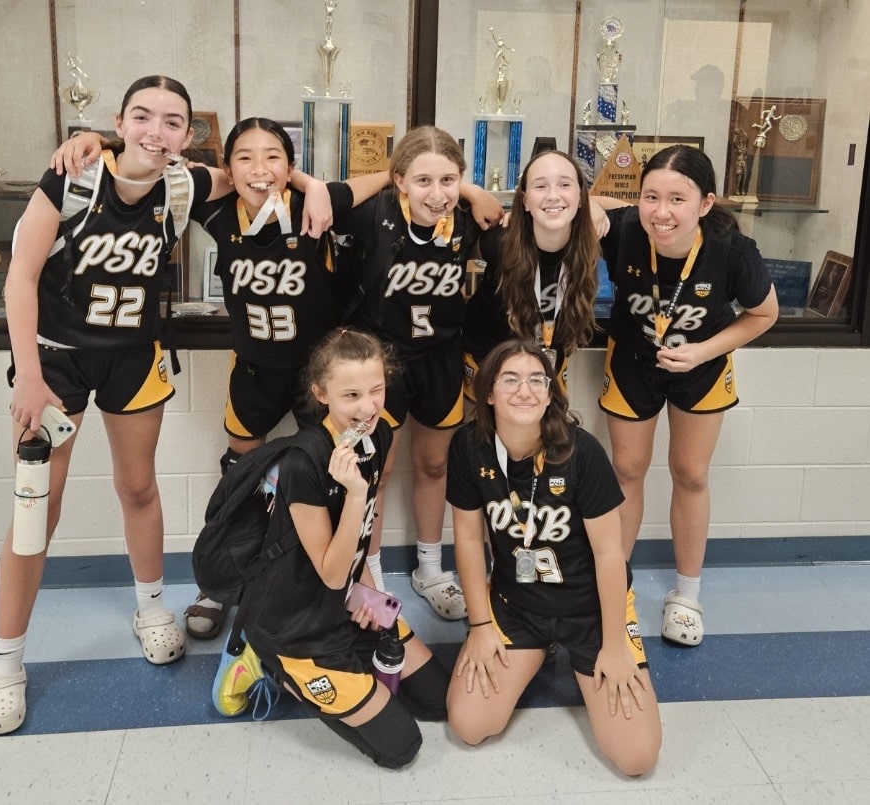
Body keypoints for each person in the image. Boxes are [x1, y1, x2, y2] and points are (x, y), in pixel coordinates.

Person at [0, 76, 232, 736]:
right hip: (56, 362)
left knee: (138, 486)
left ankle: (151, 608)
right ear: (119, 121)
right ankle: (5, 665)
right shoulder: (75, 176)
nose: (156, 130)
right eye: (141, 117)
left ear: (187, 135)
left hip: (131, 357)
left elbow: (244, 173)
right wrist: (28, 376)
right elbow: (20, 278)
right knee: (37, 505)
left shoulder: (183, 185)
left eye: (172, 121)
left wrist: (309, 186)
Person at [51, 116, 357, 640]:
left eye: (273, 157)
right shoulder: (215, 208)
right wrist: (97, 140)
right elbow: (150, 160)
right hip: (255, 369)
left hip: (317, 376)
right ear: (226, 167)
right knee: (239, 480)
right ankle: (221, 581)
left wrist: (314, 186)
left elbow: (386, 177)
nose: (259, 169)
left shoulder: (312, 206)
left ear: (290, 164)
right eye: (244, 157)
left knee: (333, 474)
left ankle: (332, 583)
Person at [232, 328, 451, 768]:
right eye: (351, 394)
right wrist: (353, 493)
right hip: (294, 621)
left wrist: (369, 596)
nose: (368, 407)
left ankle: (352, 661)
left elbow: (358, 546)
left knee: (441, 701)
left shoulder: (378, 437)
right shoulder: (302, 463)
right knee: (401, 746)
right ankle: (264, 660)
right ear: (321, 393)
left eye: (377, 390)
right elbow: (332, 572)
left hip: (342, 601)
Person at [445, 340, 662, 776]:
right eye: (510, 380)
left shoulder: (582, 453)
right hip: (516, 606)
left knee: (636, 758)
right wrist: (480, 626)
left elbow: (608, 554)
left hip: (592, 613)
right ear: (488, 392)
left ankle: (583, 657)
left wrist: (615, 645)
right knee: (470, 725)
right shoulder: (469, 447)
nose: (524, 391)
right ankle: (537, 649)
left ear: (549, 392)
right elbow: (468, 540)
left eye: (535, 380)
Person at [596, 145, 777, 646]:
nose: (662, 211)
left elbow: (764, 314)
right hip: (634, 360)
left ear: (705, 203)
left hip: (701, 366)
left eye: (678, 198)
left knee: (691, 474)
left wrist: (702, 352)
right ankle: (616, 588)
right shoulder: (627, 227)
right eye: (651, 196)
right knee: (627, 472)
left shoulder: (730, 247)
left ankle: (687, 596)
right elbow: (586, 201)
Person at [335, 126, 503, 618]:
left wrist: (470, 193)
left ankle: (430, 568)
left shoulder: (470, 222)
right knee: (377, 470)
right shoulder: (374, 215)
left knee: (435, 465)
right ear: (400, 182)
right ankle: (371, 571)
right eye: (423, 180)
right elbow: (335, 203)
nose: (438, 193)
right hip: (380, 362)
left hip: (441, 358)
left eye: (449, 180)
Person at [463, 148, 601, 397]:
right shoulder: (497, 244)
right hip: (488, 371)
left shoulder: (591, 242)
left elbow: (646, 210)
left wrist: (599, 205)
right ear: (525, 200)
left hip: (547, 372)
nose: (553, 195)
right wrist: (472, 191)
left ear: (581, 196)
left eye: (564, 184)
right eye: (540, 186)